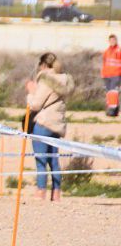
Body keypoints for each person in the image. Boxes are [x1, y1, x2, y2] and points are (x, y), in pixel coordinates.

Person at [26, 52, 74, 202]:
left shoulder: (46, 80)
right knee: (54, 160)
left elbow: (35, 104)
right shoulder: (65, 80)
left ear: (44, 65)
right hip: (57, 124)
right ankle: (56, 193)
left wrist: (31, 93)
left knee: (41, 160)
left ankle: (40, 192)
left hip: (44, 122)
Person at [102, 34, 121, 116]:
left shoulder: (119, 51)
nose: (112, 42)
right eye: (111, 40)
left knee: (114, 92)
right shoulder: (106, 51)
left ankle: (113, 111)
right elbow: (104, 63)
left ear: (116, 41)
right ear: (109, 41)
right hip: (107, 75)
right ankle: (111, 109)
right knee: (109, 93)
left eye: (114, 40)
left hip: (116, 74)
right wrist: (103, 74)